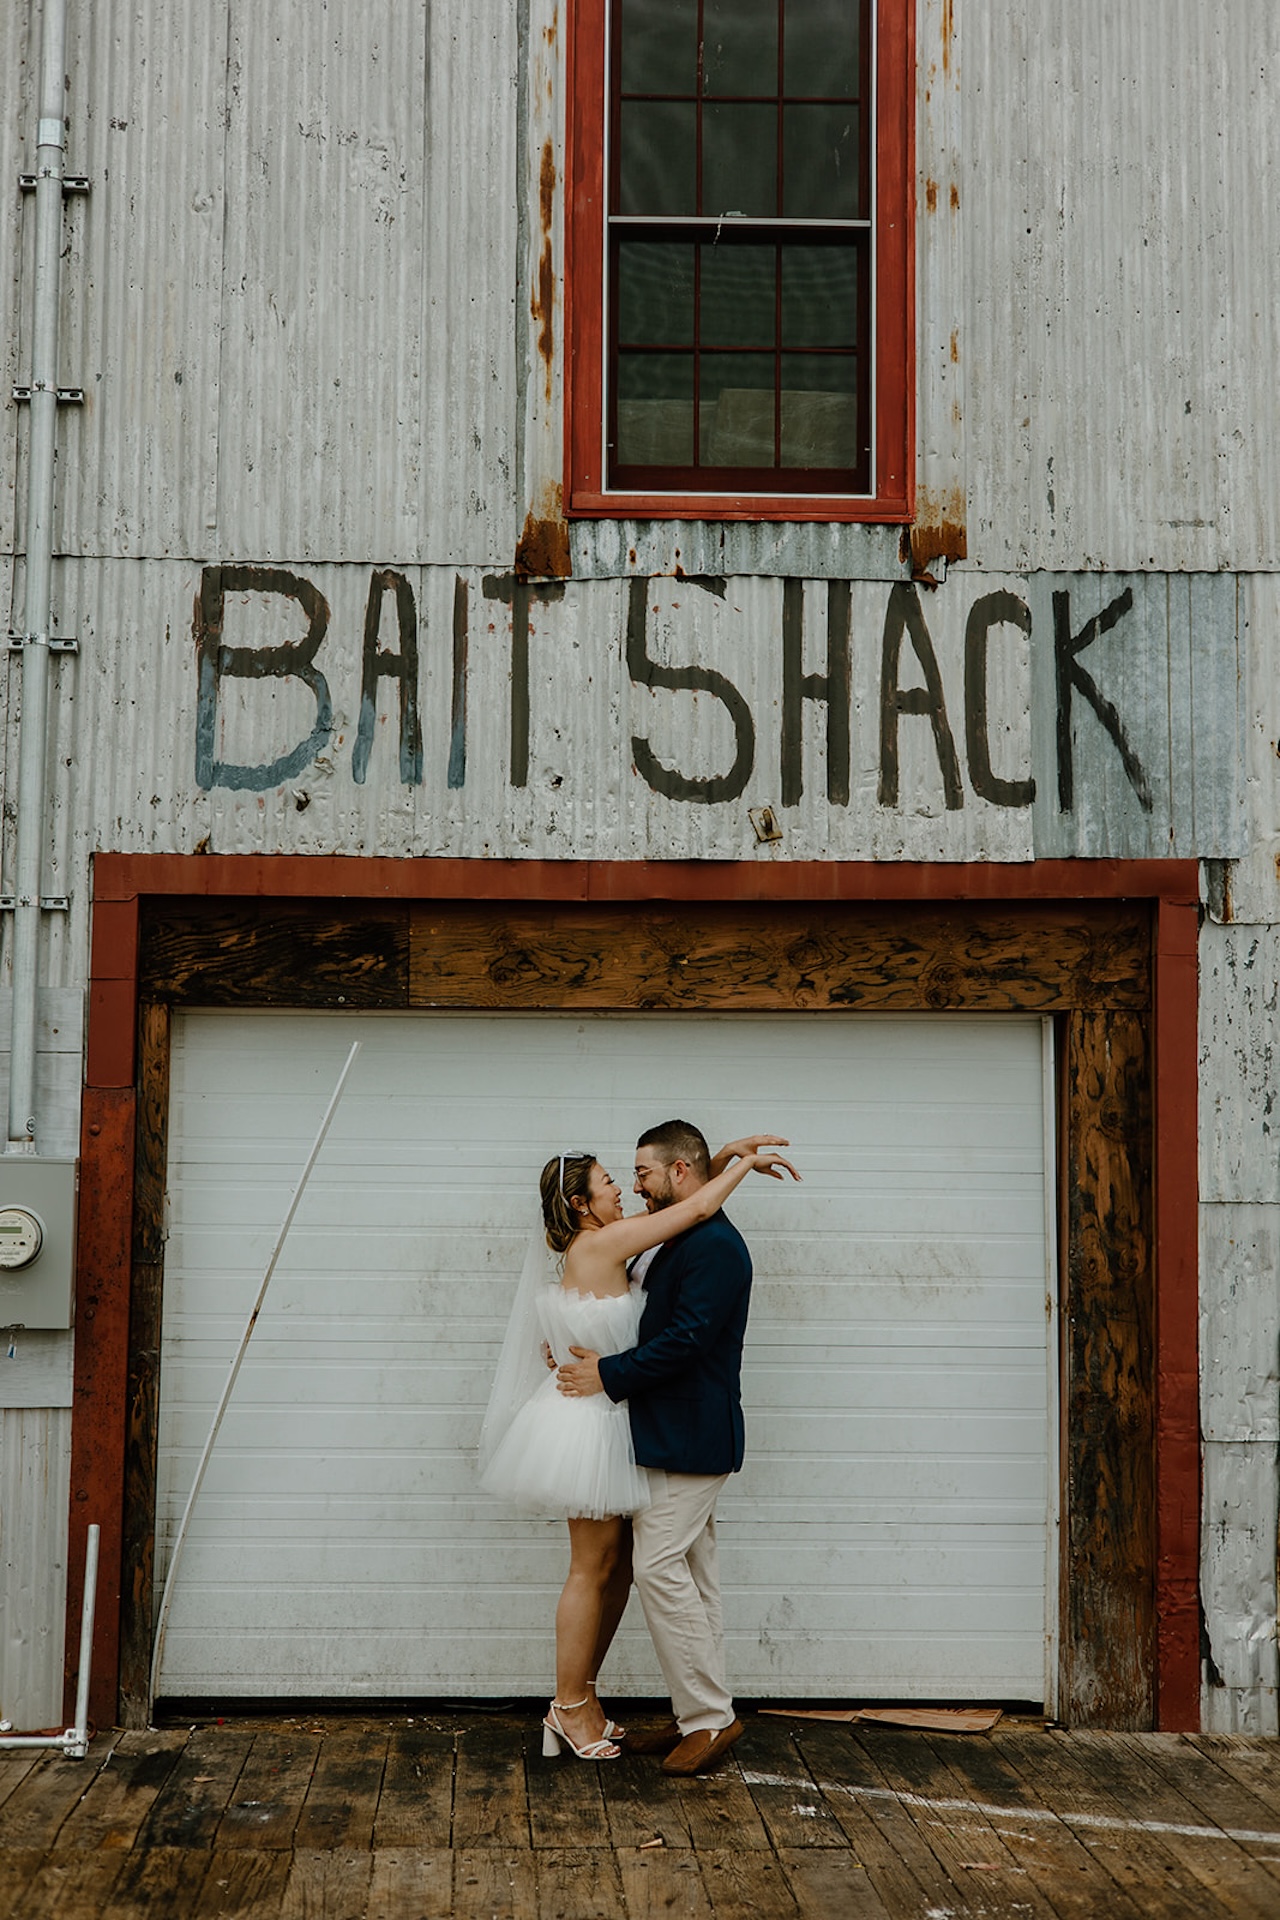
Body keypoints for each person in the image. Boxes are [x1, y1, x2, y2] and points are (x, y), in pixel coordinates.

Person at [478, 1136, 796, 1763]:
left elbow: (688, 1205)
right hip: (592, 1424)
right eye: (609, 1182)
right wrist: (739, 1167)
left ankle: (611, 1703)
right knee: (594, 1569)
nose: (624, 1186)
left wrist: (722, 1157)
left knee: (622, 1566)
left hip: (620, 1419)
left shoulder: (622, 1238)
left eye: (634, 1173)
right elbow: (694, 1208)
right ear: (581, 1205)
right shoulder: (604, 1242)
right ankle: (571, 1705)